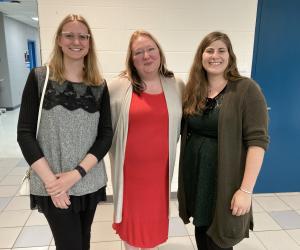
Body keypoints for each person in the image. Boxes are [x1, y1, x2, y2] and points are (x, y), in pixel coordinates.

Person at [17, 14, 112, 250]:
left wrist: (77, 173)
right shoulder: (40, 78)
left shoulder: (99, 85)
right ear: (59, 40)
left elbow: (105, 136)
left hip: (88, 180)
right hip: (52, 183)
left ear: (89, 42)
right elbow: (25, 134)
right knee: (69, 244)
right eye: (69, 35)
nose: (76, 41)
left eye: (82, 36)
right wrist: (53, 183)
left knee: (83, 240)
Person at [177, 31, 269, 250]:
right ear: (201, 56)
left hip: (225, 181)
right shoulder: (194, 90)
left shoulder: (246, 90)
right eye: (209, 50)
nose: (214, 56)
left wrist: (245, 191)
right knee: (201, 232)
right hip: (198, 178)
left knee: (220, 241)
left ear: (230, 55)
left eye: (221, 50)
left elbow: (258, 142)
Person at [108, 30, 184, 250]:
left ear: (159, 52)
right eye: (138, 52)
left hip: (159, 176)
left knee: (152, 233)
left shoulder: (175, 84)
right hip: (130, 177)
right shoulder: (118, 87)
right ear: (131, 59)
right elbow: (104, 129)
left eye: (151, 49)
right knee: (132, 235)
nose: (146, 56)